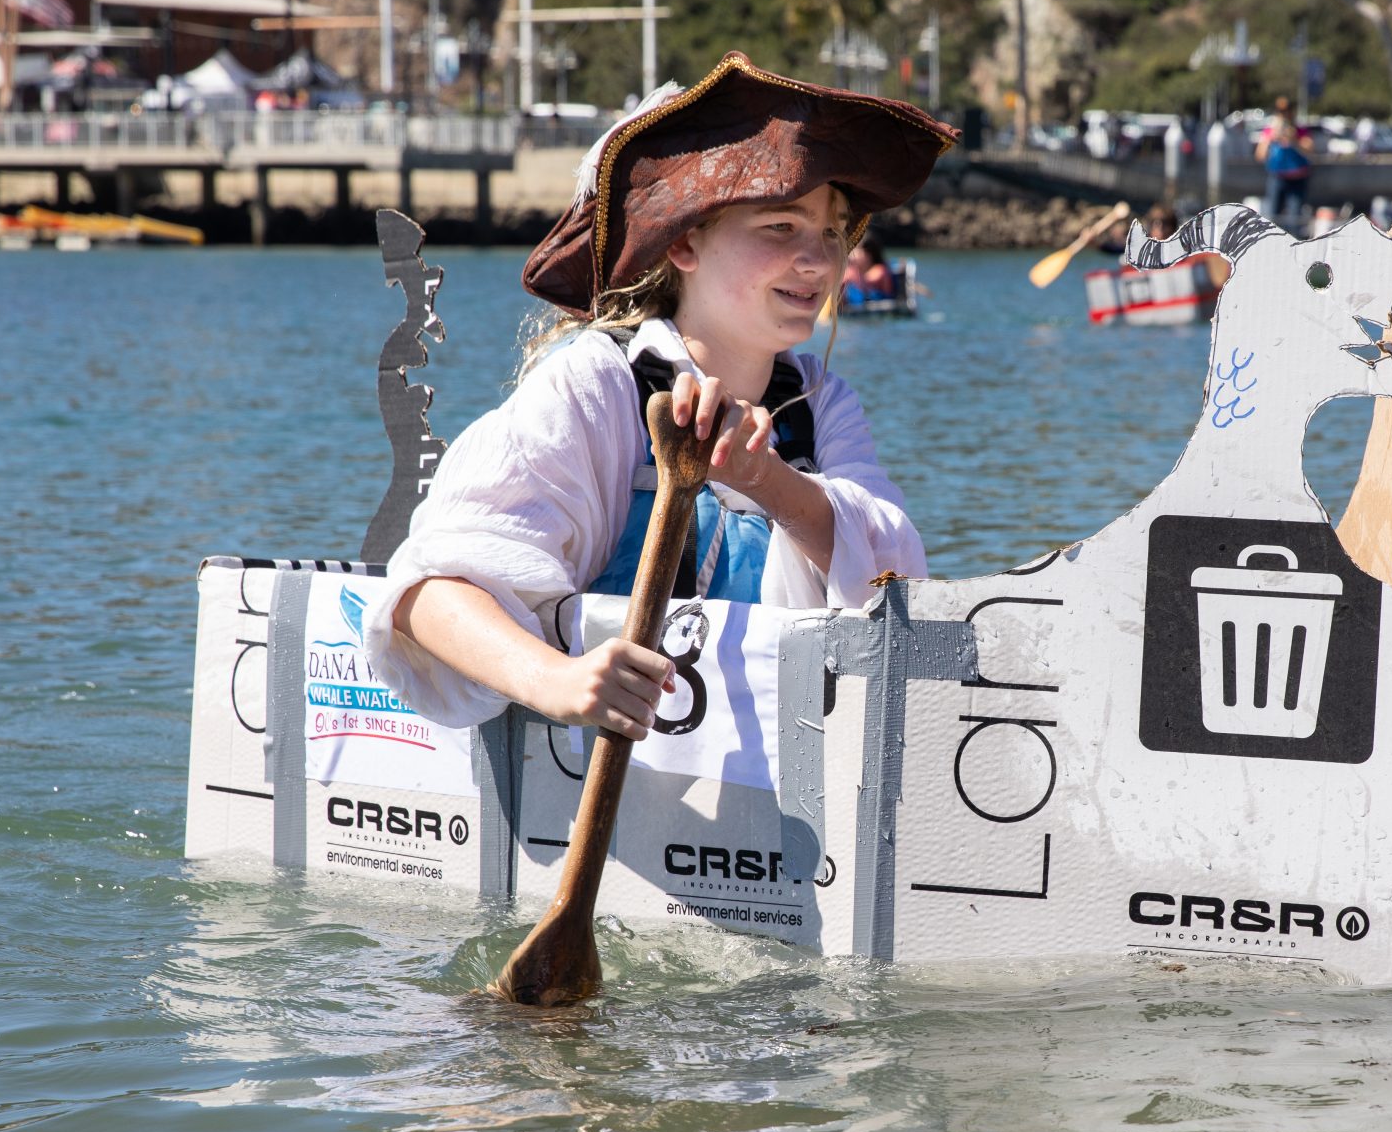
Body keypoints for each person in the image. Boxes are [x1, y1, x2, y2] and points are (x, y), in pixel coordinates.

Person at [364, 52, 954, 740]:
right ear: (683, 245)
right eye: (780, 227)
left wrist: (760, 475)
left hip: (762, 771)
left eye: (831, 231)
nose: (819, 260)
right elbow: (425, 596)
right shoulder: (594, 385)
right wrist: (559, 682)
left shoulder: (823, 402)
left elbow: (896, 580)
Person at [1258, 96, 1312, 225]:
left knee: (1294, 219)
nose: (1284, 115)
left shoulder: (1300, 130)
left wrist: (1294, 139)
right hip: (1278, 177)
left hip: (1297, 178)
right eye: (1280, 112)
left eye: (1286, 111)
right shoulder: (1270, 130)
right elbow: (1260, 155)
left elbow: (1309, 149)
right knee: (1272, 217)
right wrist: (1270, 138)